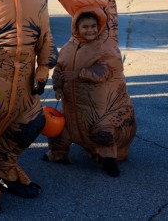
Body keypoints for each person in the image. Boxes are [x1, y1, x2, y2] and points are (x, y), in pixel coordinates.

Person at [45, 9, 136, 177]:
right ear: (76, 29)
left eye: (94, 26)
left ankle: (109, 161)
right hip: (72, 106)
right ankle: (58, 153)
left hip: (98, 108)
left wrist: (80, 73)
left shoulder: (106, 47)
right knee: (60, 129)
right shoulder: (67, 48)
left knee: (103, 133)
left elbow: (106, 72)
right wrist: (57, 87)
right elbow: (59, 70)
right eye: (85, 27)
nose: (91, 30)